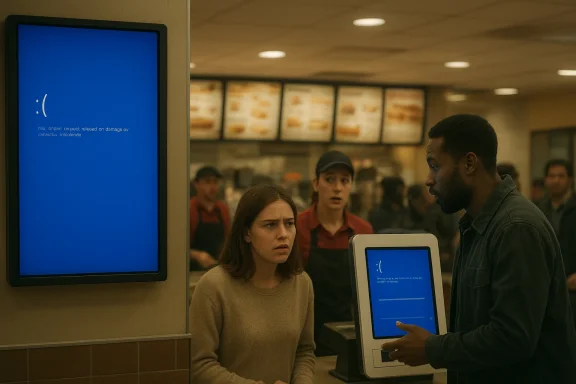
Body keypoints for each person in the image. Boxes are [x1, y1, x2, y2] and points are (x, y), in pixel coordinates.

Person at [381, 114, 576, 384]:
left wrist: (432, 348)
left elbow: (513, 338)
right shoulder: (477, 225)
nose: (428, 180)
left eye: (435, 166)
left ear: (469, 163)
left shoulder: (516, 228)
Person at [189, 185, 315, 384]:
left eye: (289, 223)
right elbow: (199, 366)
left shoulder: (302, 283)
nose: (283, 234)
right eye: (270, 225)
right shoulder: (213, 287)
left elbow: (305, 351)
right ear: (247, 233)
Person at [297, 150, 373, 356]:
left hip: (348, 333)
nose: (337, 188)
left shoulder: (363, 230)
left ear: (351, 186)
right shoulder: (297, 226)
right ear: (315, 184)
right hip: (303, 333)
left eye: (344, 180)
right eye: (329, 180)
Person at [537, 159, 576, 329]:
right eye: (552, 176)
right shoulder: (537, 209)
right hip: (546, 290)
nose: (556, 180)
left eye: (561, 176)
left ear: (570, 179)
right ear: (546, 180)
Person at [405, 184, 458, 272]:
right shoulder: (406, 218)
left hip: (443, 259)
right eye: (422, 200)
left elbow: (453, 235)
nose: (427, 202)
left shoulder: (438, 212)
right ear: (413, 201)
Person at [189, 166, 231, 271]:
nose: (212, 187)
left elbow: (228, 240)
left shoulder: (223, 209)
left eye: (215, 182)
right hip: (193, 271)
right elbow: (178, 247)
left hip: (218, 269)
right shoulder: (189, 209)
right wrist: (197, 255)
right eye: (207, 182)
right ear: (196, 184)